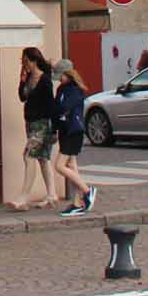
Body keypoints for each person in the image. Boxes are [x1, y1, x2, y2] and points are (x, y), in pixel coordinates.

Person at [10, 47, 61, 209]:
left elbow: (50, 104)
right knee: (42, 158)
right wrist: (22, 79)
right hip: (31, 122)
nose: (24, 64)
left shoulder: (44, 80)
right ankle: (52, 195)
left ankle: (24, 197)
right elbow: (22, 97)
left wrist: (54, 128)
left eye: (26, 61)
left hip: (42, 123)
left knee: (28, 155)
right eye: (22, 62)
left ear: (34, 61)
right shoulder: (29, 77)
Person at [52, 59, 97, 216]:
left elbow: (63, 107)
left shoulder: (76, 90)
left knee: (59, 166)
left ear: (69, 74)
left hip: (74, 131)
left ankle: (87, 190)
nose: (59, 79)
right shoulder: (61, 89)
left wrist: (57, 110)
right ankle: (77, 203)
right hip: (65, 131)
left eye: (61, 75)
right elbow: (57, 109)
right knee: (71, 166)